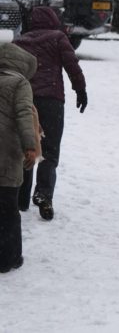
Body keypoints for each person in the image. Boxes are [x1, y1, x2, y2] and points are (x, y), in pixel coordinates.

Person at [14, 7, 87, 221]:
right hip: (52, 101)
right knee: (50, 150)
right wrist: (80, 90)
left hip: (26, 100)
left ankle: (21, 198)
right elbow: (72, 65)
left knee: (26, 147)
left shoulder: (20, 41)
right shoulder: (58, 37)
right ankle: (44, 195)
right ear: (53, 20)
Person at [0, 43, 39, 273]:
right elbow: (24, 114)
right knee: (7, 208)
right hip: (7, 152)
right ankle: (8, 258)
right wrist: (30, 147)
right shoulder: (20, 83)